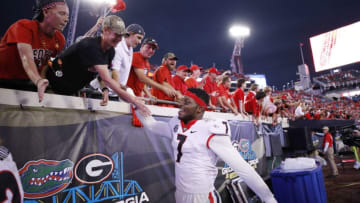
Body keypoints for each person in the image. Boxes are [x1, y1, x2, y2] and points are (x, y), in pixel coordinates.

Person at [135, 88, 277, 203]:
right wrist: (133, 99)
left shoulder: (211, 129)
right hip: (180, 193)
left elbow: (243, 168)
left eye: (187, 102)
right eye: (183, 101)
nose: (181, 106)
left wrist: (268, 198)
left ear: (199, 109)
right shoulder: (176, 124)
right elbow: (152, 126)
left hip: (202, 197)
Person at [45, 15, 149, 114]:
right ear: (105, 30)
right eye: (116, 35)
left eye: (121, 36)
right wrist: (133, 100)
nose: (119, 39)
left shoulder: (110, 51)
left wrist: (104, 89)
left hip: (71, 90)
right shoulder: (92, 46)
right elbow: (108, 80)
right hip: (52, 87)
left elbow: (100, 75)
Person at [0, 0, 69, 102]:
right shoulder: (24, 26)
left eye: (67, 16)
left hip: (23, 82)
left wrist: (43, 82)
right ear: (45, 12)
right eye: (62, 13)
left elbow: (47, 64)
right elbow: (26, 58)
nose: (66, 19)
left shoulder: (60, 39)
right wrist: (38, 80)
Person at [90, 23, 146, 103]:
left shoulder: (130, 48)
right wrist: (128, 94)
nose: (140, 42)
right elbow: (114, 72)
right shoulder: (118, 47)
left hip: (114, 93)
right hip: (101, 92)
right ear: (129, 34)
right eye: (138, 37)